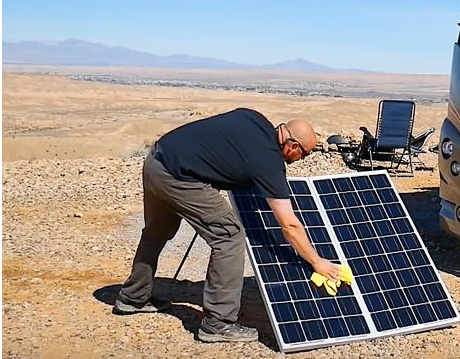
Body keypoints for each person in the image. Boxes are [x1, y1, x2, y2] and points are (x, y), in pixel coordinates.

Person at [112, 107, 344, 343]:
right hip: (179, 178)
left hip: (156, 161)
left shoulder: (253, 117)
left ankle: (133, 297)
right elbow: (289, 225)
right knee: (229, 236)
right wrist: (317, 262)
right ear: (292, 146)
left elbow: (226, 149)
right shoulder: (268, 161)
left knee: (157, 232)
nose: (300, 160)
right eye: (303, 155)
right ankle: (218, 323)